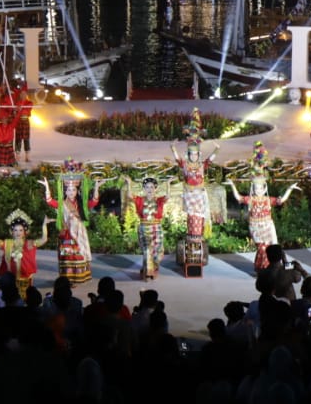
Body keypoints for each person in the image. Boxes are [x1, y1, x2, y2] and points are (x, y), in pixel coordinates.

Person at [223, 142, 298, 270]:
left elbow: (281, 201)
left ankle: (281, 265)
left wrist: (290, 189)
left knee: (274, 245)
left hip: (268, 225)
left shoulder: (268, 199)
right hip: (256, 227)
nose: (258, 190)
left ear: (264, 189)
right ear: (253, 188)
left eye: (260, 188)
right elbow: (239, 198)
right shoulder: (251, 199)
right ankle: (263, 268)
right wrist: (232, 185)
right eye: (256, 188)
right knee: (263, 248)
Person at [170, 109, 219, 275]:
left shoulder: (201, 165)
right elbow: (177, 159)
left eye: (195, 154)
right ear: (188, 154)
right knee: (192, 219)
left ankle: (197, 247)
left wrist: (216, 149)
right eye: (191, 154)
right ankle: (191, 246)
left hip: (199, 195)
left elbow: (210, 160)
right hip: (190, 196)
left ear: (198, 154)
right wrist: (172, 148)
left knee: (199, 218)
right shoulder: (185, 165)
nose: (193, 156)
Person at [42, 161, 94, 285]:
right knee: (67, 256)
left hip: (79, 234)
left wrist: (96, 188)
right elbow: (50, 201)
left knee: (78, 255)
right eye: (69, 190)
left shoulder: (81, 205)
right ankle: (67, 280)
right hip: (66, 234)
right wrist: (47, 187)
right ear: (65, 191)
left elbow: (93, 202)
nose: (71, 192)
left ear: (77, 191)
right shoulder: (62, 204)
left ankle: (77, 278)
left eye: (74, 190)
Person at [0, 208, 53, 299]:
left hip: (25, 279)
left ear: (25, 232)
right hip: (11, 279)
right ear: (12, 232)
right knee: (11, 298)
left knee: (25, 298)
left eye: (20, 230)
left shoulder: (29, 244)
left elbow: (44, 239)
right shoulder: (8, 243)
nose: (18, 233)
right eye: (15, 230)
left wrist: (44, 225)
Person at [127, 175, 169, 281]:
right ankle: (148, 272)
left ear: (155, 188)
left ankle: (153, 268)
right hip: (144, 228)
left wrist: (168, 184)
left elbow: (167, 197)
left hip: (156, 228)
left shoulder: (159, 200)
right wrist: (129, 183)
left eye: (151, 187)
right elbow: (130, 195)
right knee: (147, 250)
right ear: (144, 189)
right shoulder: (140, 200)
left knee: (157, 252)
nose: (149, 189)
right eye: (147, 187)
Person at [12, 79, 35, 163]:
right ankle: (17, 156)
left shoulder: (29, 102)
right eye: (22, 94)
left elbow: (26, 111)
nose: (23, 95)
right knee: (18, 139)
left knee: (26, 139)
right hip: (18, 122)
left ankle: (27, 156)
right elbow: (16, 111)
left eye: (24, 94)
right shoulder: (16, 102)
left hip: (25, 122)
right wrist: (18, 108)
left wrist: (20, 108)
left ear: (26, 94)